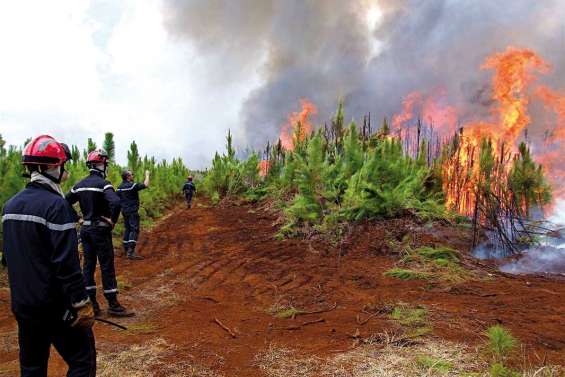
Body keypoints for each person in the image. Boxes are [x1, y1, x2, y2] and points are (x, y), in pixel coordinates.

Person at [2, 135, 96, 376]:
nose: (65, 169)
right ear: (52, 167)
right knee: (82, 360)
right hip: (54, 308)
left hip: (23, 305)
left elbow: (9, 257)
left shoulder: (10, 206)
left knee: (32, 367)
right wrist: (81, 303)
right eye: (62, 164)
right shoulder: (56, 206)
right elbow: (66, 264)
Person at [66, 149, 133, 318]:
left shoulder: (79, 185)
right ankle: (113, 304)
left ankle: (93, 305)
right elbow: (116, 202)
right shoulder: (104, 184)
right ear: (101, 164)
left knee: (88, 266)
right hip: (100, 230)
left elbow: (65, 202)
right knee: (106, 265)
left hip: (85, 230)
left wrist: (78, 218)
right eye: (106, 164)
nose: (107, 167)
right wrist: (112, 221)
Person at [117, 169, 150, 260]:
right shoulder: (132, 186)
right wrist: (147, 175)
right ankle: (131, 252)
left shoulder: (119, 187)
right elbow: (146, 184)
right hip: (132, 212)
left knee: (127, 229)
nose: (133, 176)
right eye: (132, 174)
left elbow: (117, 200)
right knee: (134, 229)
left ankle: (126, 248)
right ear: (128, 176)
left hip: (124, 211)